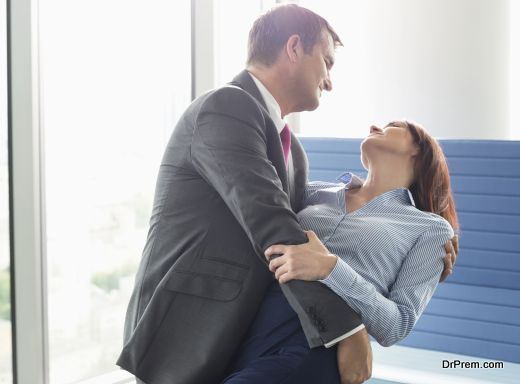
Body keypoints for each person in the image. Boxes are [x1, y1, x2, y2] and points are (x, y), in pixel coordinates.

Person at [117, 5, 456, 384]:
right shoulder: (226, 107)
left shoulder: (296, 154)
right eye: (326, 62)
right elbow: (271, 218)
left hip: (298, 341)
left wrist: (339, 271)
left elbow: (396, 320)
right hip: (211, 325)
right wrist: (347, 328)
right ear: (294, 47)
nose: (329, 81)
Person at [223, 120, 459, 383]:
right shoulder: (312, 192)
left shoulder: (430, 228)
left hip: (318, 346)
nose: (373, 125)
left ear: (418, 147)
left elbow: (396, 325)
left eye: (393, 125)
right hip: (248, 326)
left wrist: (330, 268)